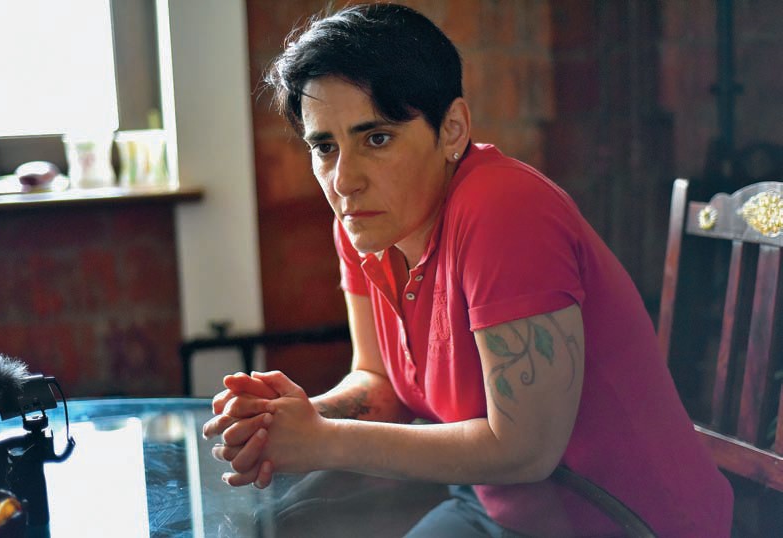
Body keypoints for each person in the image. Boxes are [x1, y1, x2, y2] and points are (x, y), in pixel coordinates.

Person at [202, 3, 733, 536]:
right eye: (324, 147)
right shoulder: (364, 225)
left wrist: (326, 442)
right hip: (496, 508)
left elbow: (525, 450)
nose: (344, 180)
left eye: (377, 138)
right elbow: (380, 384)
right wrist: (290, 420)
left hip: (625, 522)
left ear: (453, 129)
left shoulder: (503, 208)